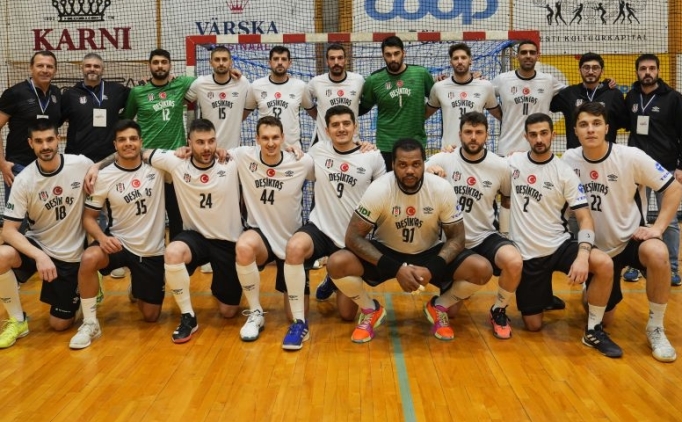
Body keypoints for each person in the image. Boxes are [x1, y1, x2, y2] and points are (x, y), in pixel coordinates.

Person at [326, 138, 493, 343]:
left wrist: (432, 268)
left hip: (428, 251)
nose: (410, 171)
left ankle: (439, 306)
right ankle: (370, 309)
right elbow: (352, 237)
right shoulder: (380, 188)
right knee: (336, 263)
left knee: (482, 269)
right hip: (387, 251)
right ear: (393, 165)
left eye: (416, 164)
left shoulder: (441, 188)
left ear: (424, 163)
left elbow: (458, 238)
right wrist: (395, 269)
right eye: (403, 165)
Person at [562, 102, 681, 362]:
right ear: (575, 130)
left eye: (596, 124)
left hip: (630, 239)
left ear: (607, 128)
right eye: (584, 125)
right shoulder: (568, 160)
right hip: (597, 249)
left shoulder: (631, 157)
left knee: (658, 252)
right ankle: (593, 292)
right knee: (603, 317)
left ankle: (656, 327)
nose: (590, 130)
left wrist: (658, 228)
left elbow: (673, 188)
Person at [508, 112, 621, 358]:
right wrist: (443, 159)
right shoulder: (512, 162)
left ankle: (593, 330)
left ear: (553, 134)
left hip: (559, 245)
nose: (539, 139)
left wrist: (582, 256)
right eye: (533, 134)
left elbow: (585, 218)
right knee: (533, 326)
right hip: (528, 255)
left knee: (603, 263)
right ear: (526, 137)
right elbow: (479, 163)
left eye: (544, 133)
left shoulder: (565, 172)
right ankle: (545, 297)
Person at [282, 105, 385, 350]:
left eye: (346, 124)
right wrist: (290, 149)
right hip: (321, 228)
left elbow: (386, 194)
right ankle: (299, 323)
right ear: (327, 130)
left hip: (351, 238)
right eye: (335, 125)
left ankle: (333, 276)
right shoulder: (317, 151)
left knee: (347, 315)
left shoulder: (372, 156)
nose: (341, 129)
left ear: (355, 127)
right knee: (294, 247)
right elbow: (297, 166)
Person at [68, 120, 166, 349]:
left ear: (141, 142)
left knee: (151, 316)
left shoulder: (158, 169)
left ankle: (137, 286)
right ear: (115, 145)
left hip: (150, 250)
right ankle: (90, 322)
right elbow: (88, 218)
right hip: (118, 243)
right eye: (122, 140)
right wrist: (102, 238)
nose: (128, 143)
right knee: (89, 258)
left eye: (133, 139)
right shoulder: (104, 177)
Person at [144, 118, 243, 344]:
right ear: (189, 143)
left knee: (228, 311)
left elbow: (267, 149)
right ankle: (188, 316)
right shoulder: (177, 162)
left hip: (227, 241)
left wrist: (290, 147)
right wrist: (95, 167)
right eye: (200, 142)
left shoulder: (231, 161)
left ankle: (221, 286)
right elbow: (138, 152)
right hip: (195, 237)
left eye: (211, 141)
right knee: (173, 252)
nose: (206, 147)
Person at [426, 111, 520, 340]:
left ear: (487, 134)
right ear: (460, 134)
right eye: (468, 132)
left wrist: (506, 234)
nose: (473, 137)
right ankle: (444, 301)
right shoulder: (444, 159)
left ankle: (498, 310)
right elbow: (417, 171)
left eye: (479, 132)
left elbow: (507, 200)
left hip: (484, 235)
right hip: (451, 241)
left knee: (514, 261)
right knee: (454, 313)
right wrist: (429, 171)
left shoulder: (500, 165)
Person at [0, 120, 92, 348]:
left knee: (59, 325)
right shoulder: (24, 180)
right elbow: (8, 231)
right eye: (39, 141)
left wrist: (97, 168)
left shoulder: (80, 164)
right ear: (30, 143)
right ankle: (17, 321)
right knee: (1, 256)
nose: (45, 146)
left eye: (50, 139)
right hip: (39, 246)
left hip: (70, 256)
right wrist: (40, 256)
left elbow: (104, 167)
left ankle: (85, 283)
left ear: (58, 139)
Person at [231, 116, 313, 343]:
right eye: (265, 138)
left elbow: (329, 169)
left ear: (283, 138)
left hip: (291, 243)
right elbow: (214, 153)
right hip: (262, 237)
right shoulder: (243, 156)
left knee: (295, 316)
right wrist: (184, 151)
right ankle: (255, 312)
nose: (270, 143)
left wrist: (363, 146)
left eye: (275, 137)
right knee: (244, 246)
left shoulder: (301, 162)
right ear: (257, 139)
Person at [61, 52, 131, 279]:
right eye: (88, 65)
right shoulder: (69, 95)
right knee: (79, 211)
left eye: (96, 66)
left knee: (110, 210)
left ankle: (110, 256)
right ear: (82, 68)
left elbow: (140, 98)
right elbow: (54, 121)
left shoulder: (117, 91)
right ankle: (76, 257)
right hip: (77, 162)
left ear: (103, 69)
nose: (92, 69)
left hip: (108, 162)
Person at [124, 48, 195, 241]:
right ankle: (151, 251)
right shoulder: (138, 92)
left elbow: (208, 81)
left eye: (164, 62)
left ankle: (176, 250)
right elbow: (126, 121)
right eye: (155, 62)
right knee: (148, 213)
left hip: (175, 159)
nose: (160, 66)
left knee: (176, 213)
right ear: (149, 65)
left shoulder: (180, 84)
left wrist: (231, 72)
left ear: (170, 65)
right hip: (148, 160)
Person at [624, 53, 682, 287]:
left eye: (651, 68)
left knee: (669, 221)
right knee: (634, 218)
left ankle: (673, 267)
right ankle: (635, 264)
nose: (647, 72)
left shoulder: (674, 98)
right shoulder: (631, 96)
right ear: (637, 72)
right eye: (643, 69)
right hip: (637, 169)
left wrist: (680, 166)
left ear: (658, 71)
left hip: (665, 168)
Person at [359, 36, 435, 171]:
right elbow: (362, 108)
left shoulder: (421, 74)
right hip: (386, 144)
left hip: (415, 142)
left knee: (414, 181)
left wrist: (423, 115)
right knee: (388, 182)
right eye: (388, 55)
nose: (393, 58)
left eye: (396, 53)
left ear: (404, 53)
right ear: (383, 56)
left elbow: (437, 99)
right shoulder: (374, 80)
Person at [0, 51, 61, 201]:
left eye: (49, 66)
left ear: (55, 70)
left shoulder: (56, 93)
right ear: (31, 68)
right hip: (19, 167)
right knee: (17, 215)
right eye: (40, 65)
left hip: (48, 167)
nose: (45, 70)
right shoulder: (14, 93)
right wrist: (2, 163)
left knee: (45, 212)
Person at [491, 40, 565, 156]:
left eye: (532, 52)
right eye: (524, 52)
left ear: (538, 56)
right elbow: (483, 93)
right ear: (517, 56)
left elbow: (573, 93)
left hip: (538, 149)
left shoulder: (548, 80)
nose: (528, 56)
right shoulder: (503, 79)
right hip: (508, 149)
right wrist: (500, 115)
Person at [425, 43, 499, 148]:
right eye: (455, 58)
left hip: (476, 149)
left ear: (470, 60)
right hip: (449, 149)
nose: (459, 61)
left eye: (463, 58)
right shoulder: (439, 87)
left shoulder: (485, 86)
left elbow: (500, 115)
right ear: (451, 62)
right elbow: (424, 114)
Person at [550, 52, 627, 149]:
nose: (590, 71)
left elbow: (622, 122)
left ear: (602, 71)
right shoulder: (569, 93)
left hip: (606, 153)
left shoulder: (614, 94)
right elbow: (548, 103)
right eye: (586, 67)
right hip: (576, 153)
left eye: (595, 68)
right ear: (579, 70)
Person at [244, 46, 314, 149]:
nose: (280, 62)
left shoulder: (300, 86)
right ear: (269, 62)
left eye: (284, 59)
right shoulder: (256, 86)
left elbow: (315, 113)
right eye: (276, 59)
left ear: (289, 63)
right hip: (265, 148)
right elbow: (241, 115)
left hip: (292, 149)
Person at [185, 46, 250, 150]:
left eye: (224, 59)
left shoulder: (242, 82)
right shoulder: (201, 83)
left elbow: (254, 102)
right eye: (217, 59)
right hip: (208, 149)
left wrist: (238, 118)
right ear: (210, 62)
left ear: (230, 62)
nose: (221, 63)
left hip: (234, 149)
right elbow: (181, 101)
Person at [305, 44, 365, 145]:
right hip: (324, 144)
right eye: (332, 58)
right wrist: (319, 117)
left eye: (340, 58)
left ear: (345, 60)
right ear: (327, 61)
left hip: (351, 142)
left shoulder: (358, 80)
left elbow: (366, 103)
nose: (336, 62)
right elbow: (306, 103)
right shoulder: (316, 82)